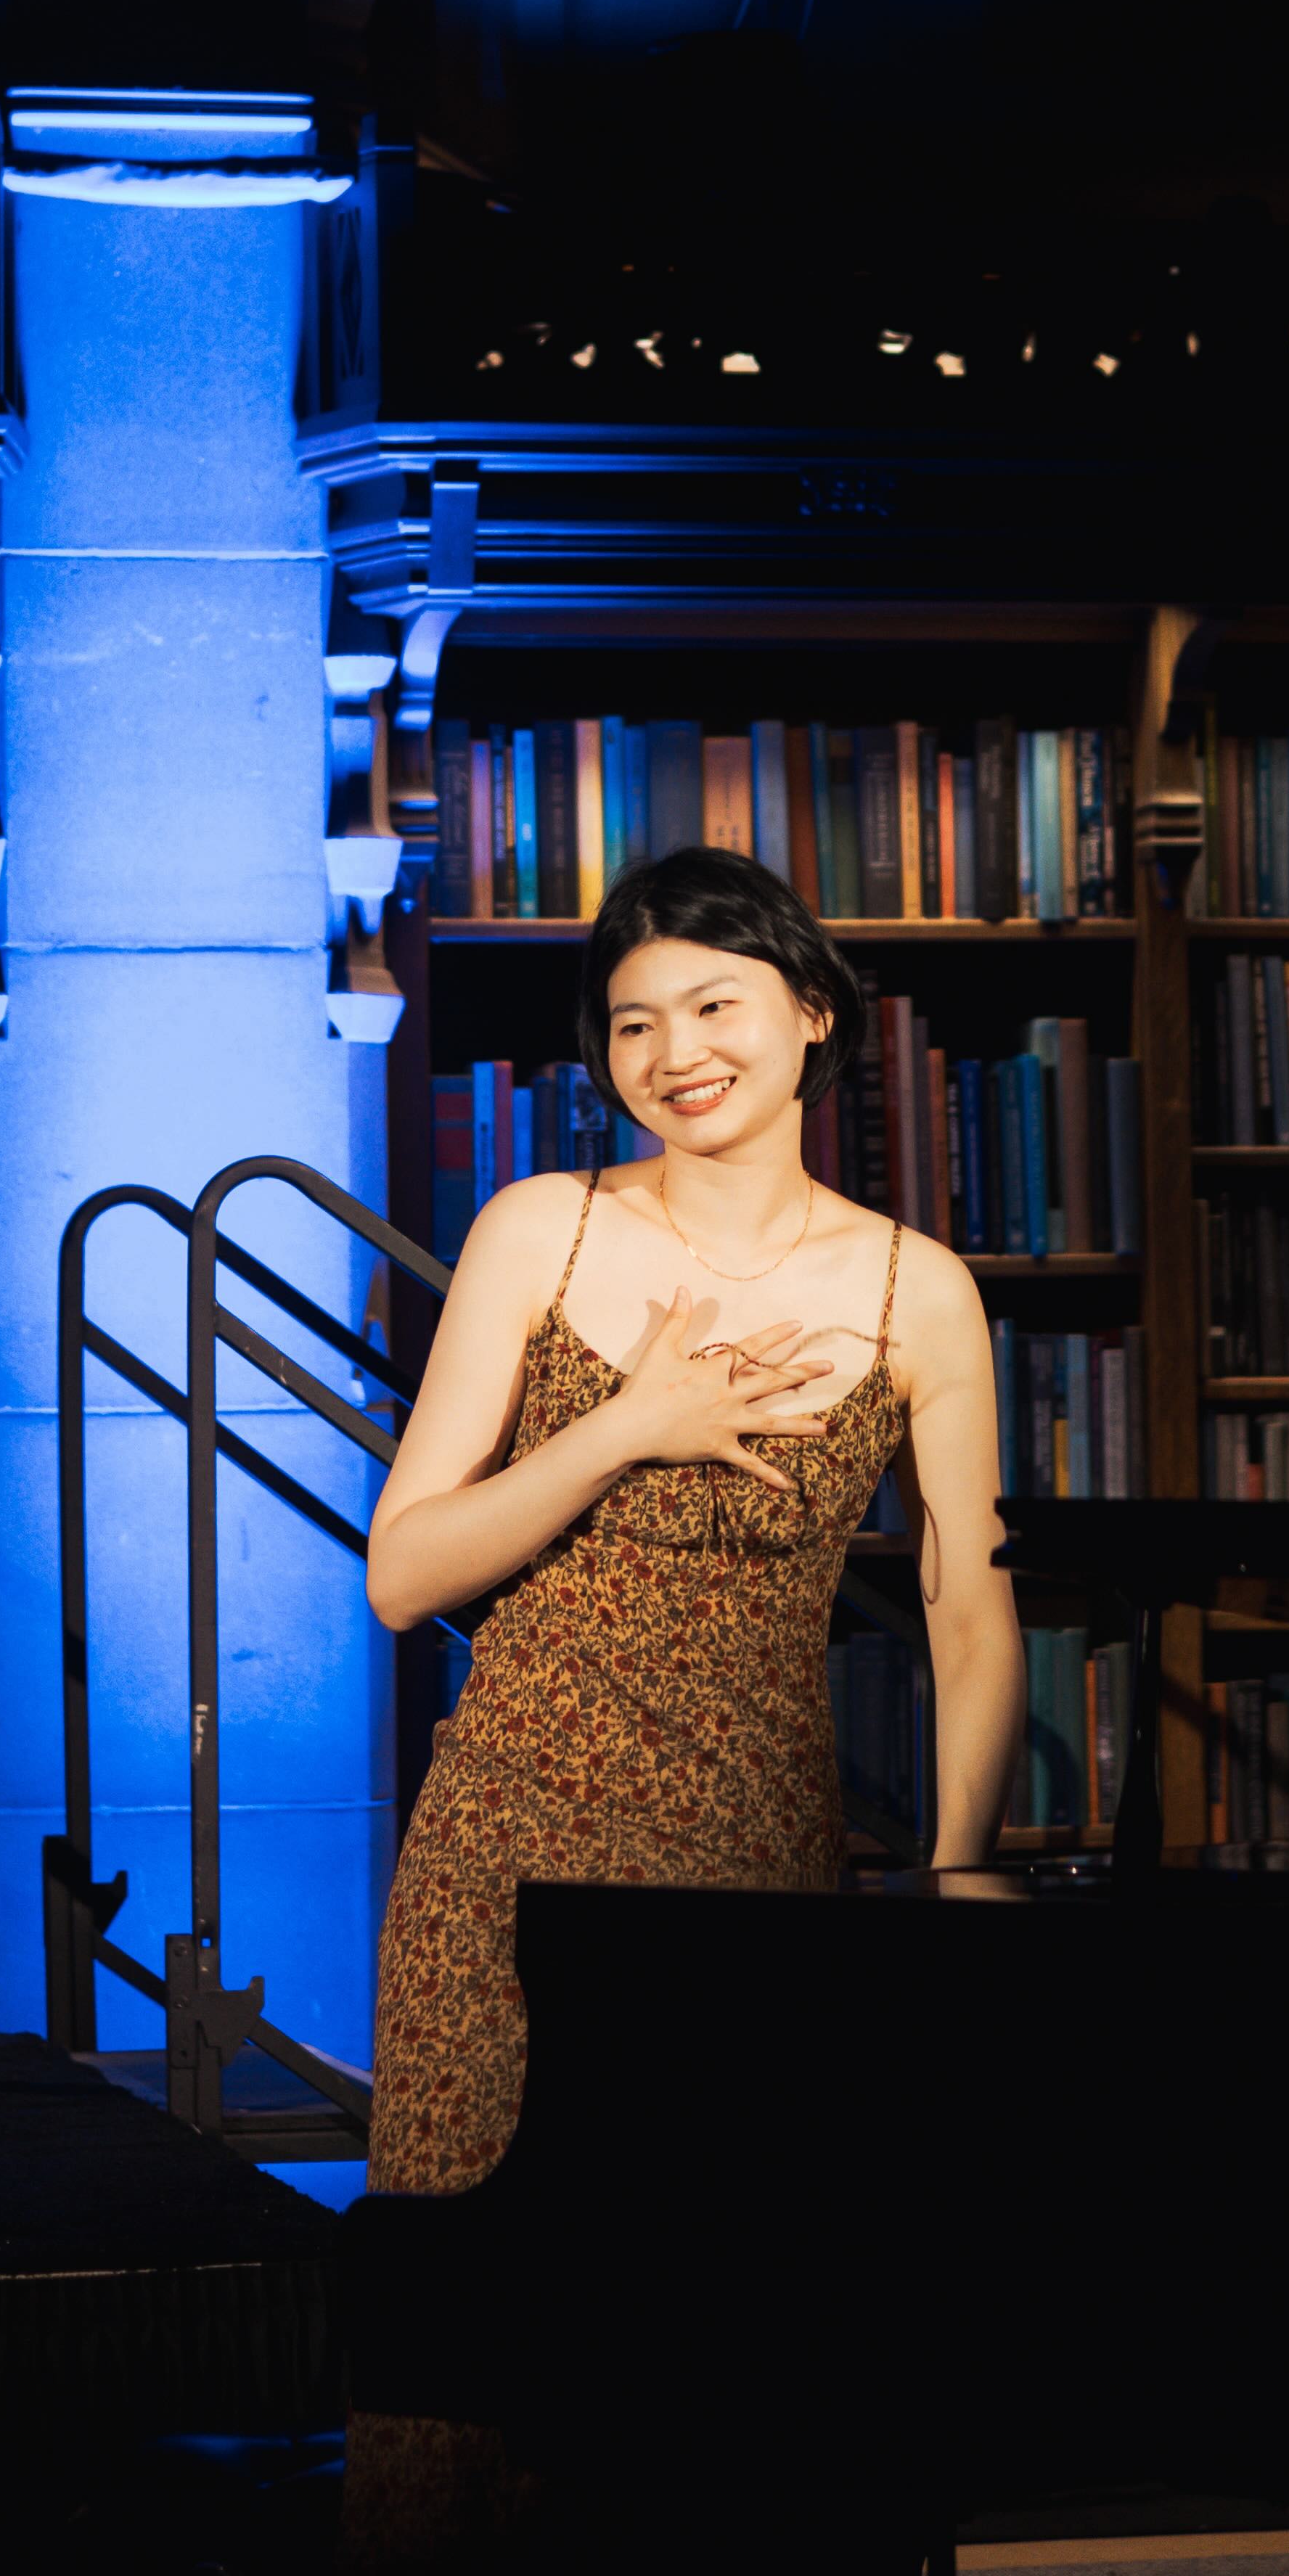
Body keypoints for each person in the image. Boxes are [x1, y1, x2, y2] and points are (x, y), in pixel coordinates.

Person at [359, 841, 1024, 2197]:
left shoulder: (921, 1291)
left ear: (811, 1008)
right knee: (474, 2315)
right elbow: (400, 1571)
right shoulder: (539, 1226)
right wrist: (623, 1428)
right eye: (635, 1020)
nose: (676, 1050)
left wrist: (959, 1880)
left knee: (718, 2318)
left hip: (757, 1862)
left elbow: (968, 1619)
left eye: (715, 1002)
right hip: (504, 1853)